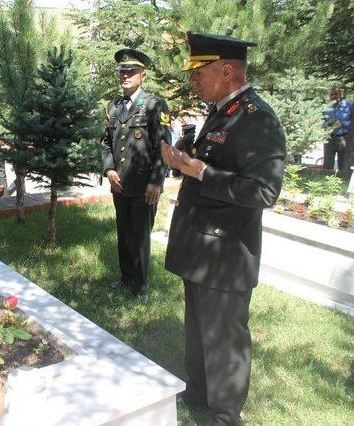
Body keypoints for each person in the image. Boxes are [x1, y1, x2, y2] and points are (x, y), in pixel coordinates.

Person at [161, 31, 286, 425]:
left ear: (227, 70)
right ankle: (198, 395)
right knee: (199, 329)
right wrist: (184, 161)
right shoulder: (222, 111)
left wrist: (198, 170)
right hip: (199, 242)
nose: (192, 81)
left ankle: (224, 415)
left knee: (225, 339)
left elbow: (263, 191)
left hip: (226, 250)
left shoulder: (258, 119)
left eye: (200, 73)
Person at [101, 47, 171, 302]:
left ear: (142, 75)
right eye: (122, 72)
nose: (125, 76)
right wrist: (108, 169)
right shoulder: (113, 106)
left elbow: (165, 148)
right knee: (123, 233)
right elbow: (105, 142)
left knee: (140, 236)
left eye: (131, 72)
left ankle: (140, 286)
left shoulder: (154, 105)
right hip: (119, 184)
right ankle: (126, 277)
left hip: (144, 186)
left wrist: (157, 182)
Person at [323, 88, 352, 171]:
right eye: (331, 95)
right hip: (329, 137)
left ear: (340, 94)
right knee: (328, 164)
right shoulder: (326, 107)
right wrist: (328, 123)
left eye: (335, 94)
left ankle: (343, 181)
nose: (333, 96)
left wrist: (344, 124)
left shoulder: (348, 105)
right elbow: (320, 123)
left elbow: (352, 121)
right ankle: (327, 181)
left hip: (344, 137)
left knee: (343, 164)